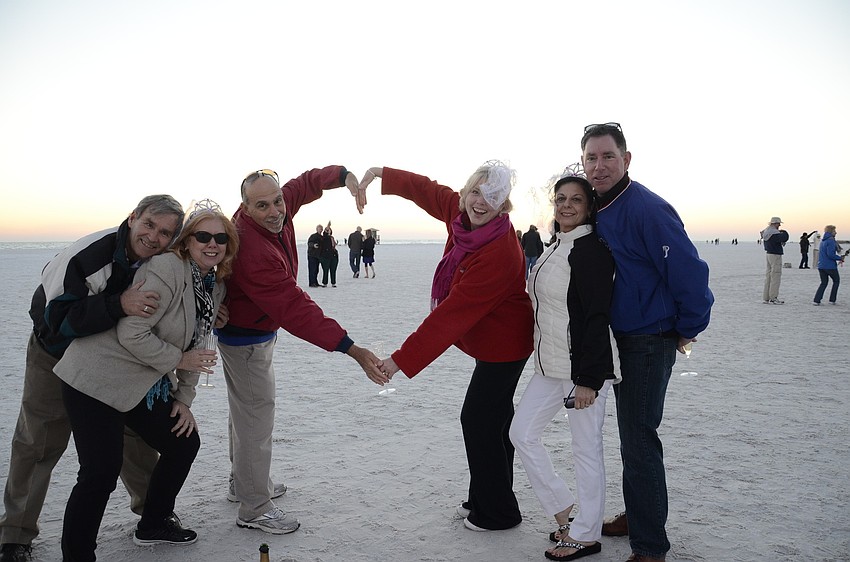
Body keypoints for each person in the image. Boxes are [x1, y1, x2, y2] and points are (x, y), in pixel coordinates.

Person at [0, 195, 185, 562]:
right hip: (56, 351)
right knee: (39, 441)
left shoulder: (164, 261)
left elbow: (188, 287)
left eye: (165, 233)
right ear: (133, 217)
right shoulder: (88, 255)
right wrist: (118, 305)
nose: (153, 237)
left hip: (117, 357)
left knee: (134, 437)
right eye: (148, 224)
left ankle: (152, 513)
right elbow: (54, 320)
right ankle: (15, 535)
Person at [53, 201, 236, 560]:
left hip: (142, 384)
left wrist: (183, 399)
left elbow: (198, 344)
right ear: (187, 241)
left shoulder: (213, 287)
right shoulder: (168, 267)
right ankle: (77, 555)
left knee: (183, 442)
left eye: (220, 238)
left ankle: (153, 523)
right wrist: (179, 360)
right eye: (203, 236)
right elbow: (131, 333)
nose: (211, 244)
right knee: (101, 471)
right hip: (96, 377)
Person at [358, 161, 533, 532]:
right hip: (493, 342)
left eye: (492, 196)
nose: (480, 202)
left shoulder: (500, 252)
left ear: (504, 206)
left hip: (506, 345)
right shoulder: (460, 214)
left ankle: (499, 512)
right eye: (475, 191)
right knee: (496, 421)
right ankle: (488, 498)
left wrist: (396, 362)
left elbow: (449, 317)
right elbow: (427, 190)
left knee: (479, 419)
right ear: (466, 192)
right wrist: (381, 174)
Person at [218, 167, 387, 535]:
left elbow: (307, 182)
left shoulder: (278, 207)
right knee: (255, 419)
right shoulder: (251, 247)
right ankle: (254, 506)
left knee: (244, 413)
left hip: (256, 332)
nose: (275, 210)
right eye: (262, 205)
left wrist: (345, 178)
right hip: (245, 339)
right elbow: (297, 309)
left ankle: (243, 483)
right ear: (245, 207)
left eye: (277, 200)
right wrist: (351, 348)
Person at [581, 123, 713, 562]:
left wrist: (689, 326)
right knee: (628, 438)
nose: (598, 167)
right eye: (591, 158)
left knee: (639, 440)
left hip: (648, 338)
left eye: (607, 157)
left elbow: (690, 273)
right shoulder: (599, 206)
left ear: (626, 159)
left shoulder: (648, 209)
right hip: (617, 338)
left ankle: (650, 547)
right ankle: (638, 518)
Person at [510, 172, 616, 561]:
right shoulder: (557, 245)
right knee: (521, 432)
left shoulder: (591, 251)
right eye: (561, 199)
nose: (566, 206)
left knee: (586, 448)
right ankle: (565, 512)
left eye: (575, 200)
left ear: (589, 207)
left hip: (583, 370)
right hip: (550, 364)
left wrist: (589, 380)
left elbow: (596, 316)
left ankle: (586, 534)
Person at [813, 224, 845, 305]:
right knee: (836, 281)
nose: (836, 232)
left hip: (821, 266)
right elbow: (830, 254)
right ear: (831, 232)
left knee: (823, 283)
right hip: (830, 266)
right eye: (834, 231)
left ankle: (817, 300)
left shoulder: (823, 241)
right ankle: (832, 300)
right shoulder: (831, 241)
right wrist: (839, 258)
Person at [761, 217, 789, 304]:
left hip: (769, 254)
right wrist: (784, 232)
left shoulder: (766, 232)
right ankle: (773, 297)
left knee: (768, 276)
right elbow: (785, 237)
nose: (779, 225)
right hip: (775, 255)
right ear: (774, 224)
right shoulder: (774, 233)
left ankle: (766, 297)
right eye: (778, 224)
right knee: (775, 276)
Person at [319, 223, 339, 287]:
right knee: (325, 270)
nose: (329, 231)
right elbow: (325, 233)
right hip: (326, 256)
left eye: (330, 230)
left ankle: (333, 283)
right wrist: (328, 226)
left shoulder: (332, 237)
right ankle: (325, 283)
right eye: (328, 230)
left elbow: (334, 245)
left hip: (333, 256)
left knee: (333, 270)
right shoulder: (324, 237)